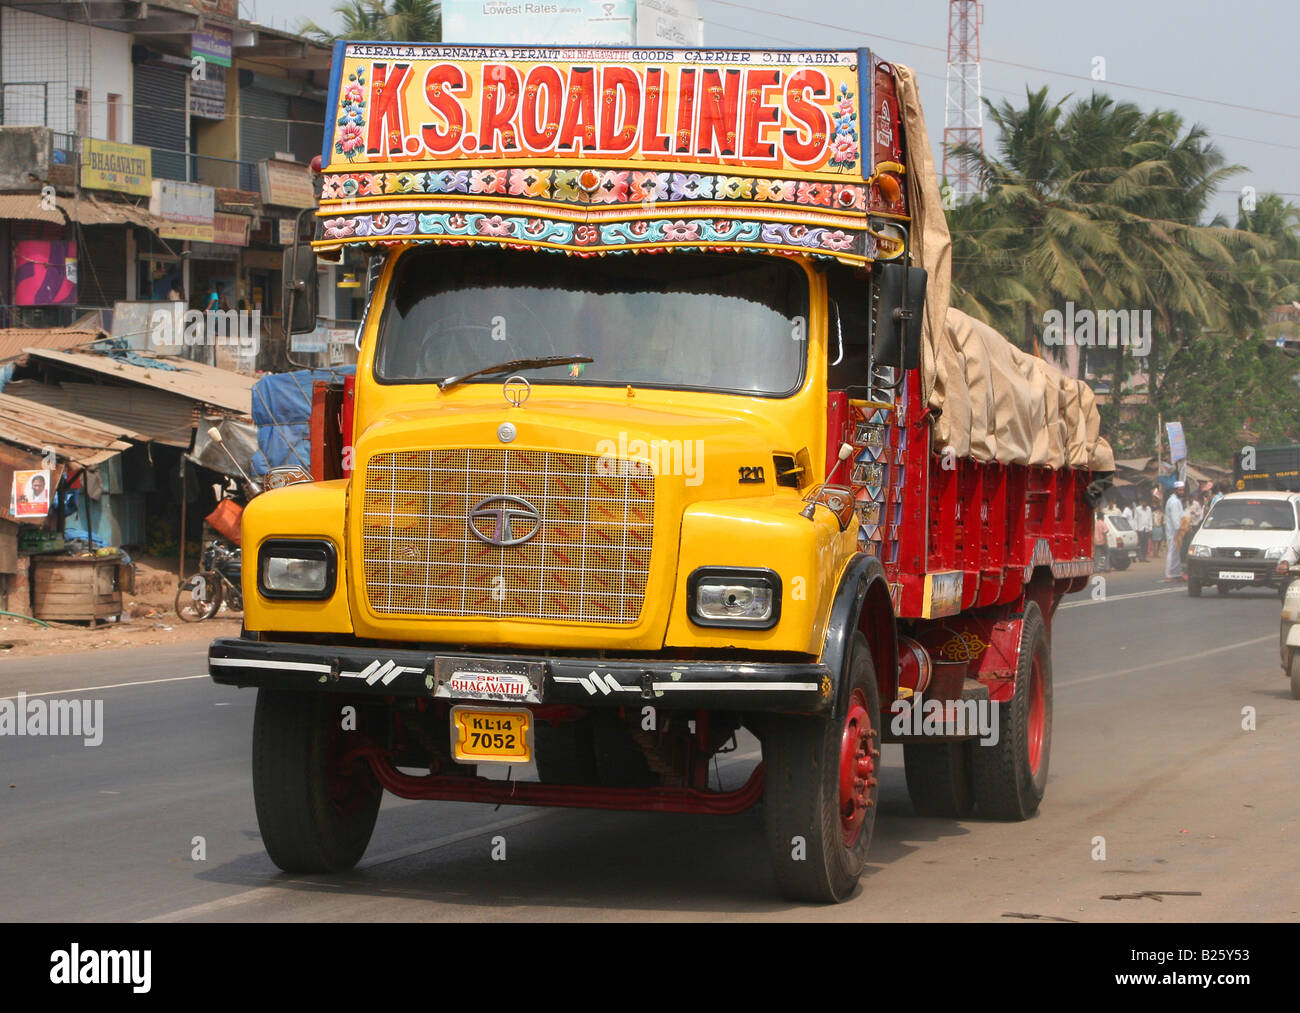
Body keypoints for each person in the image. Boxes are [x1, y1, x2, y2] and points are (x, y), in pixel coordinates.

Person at [1164, 481, 1185, 581]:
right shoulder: (1174, 501)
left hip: (1175, 531)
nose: (1182, 492)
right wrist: (1180, 530)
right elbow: (1175, 518)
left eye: (1182, 490)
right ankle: (1169, 575)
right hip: (1174, 532)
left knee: (1176, 553)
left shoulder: (1175, 500)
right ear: (1175, 490)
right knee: (1172, 553)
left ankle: (1176, 574)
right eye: (1180, 490)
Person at [1134, 497, 1153, 562]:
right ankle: (1140, 557)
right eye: (1143, 502)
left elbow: (1150, 518)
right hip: (1140, 528)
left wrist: (1150, 528)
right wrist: (1136, 528)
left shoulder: (1149, 509)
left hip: (1147, 528)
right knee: (1140, 543)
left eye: (1145, 502)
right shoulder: (1137, 509)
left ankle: (1144, 557)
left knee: (1146, 544)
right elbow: (1135, 519)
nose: (1144, 503)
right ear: (1141, 502)